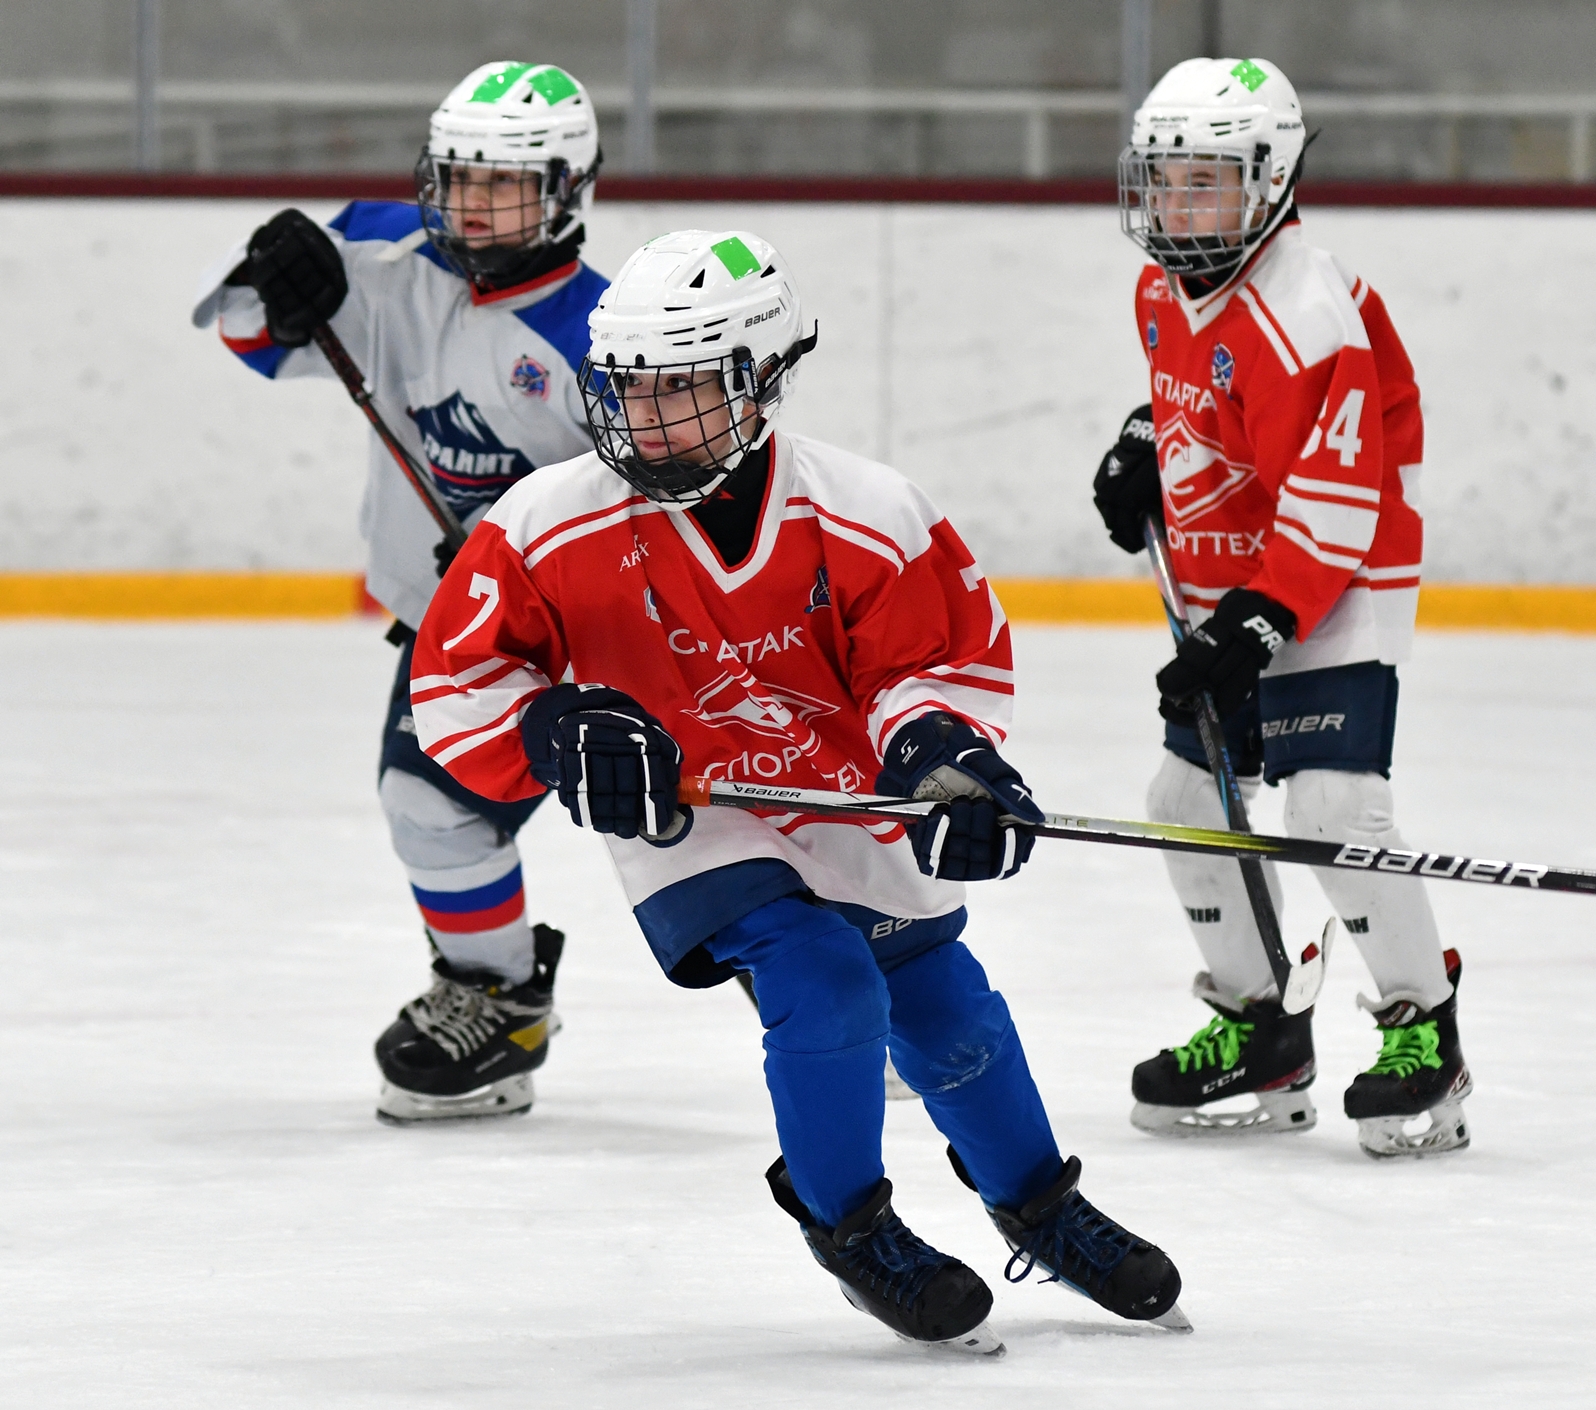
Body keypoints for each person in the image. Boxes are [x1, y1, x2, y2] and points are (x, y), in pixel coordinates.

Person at [408, 228, 1188, 1351]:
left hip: (843, 795)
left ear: (763, 376)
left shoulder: (870, 511)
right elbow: (456, 682)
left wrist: (946, 762)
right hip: (692, 813)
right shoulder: (545, 521)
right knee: (823, 984)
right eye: (629, 388)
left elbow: (934, 664)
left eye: (682, 389)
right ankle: (850, 1225)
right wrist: (554, 726)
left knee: (949, 1010)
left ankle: (1040, 1206)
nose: (648, 419)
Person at [189, 62, 610, 1124]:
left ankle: (870, 974)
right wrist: (271, 276)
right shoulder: (381, 248)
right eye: (457, 177)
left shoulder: (601, 334)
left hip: (605, 629)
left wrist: (535, 557)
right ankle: (499, 1002)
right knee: (429, 806)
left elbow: (666, 511)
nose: (472, 205)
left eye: (504, 183)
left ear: (567, 190)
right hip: (460, 629)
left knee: (719, 816)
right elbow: (251, 337)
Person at [1092, 57, 1471, 1158]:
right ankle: (1259, 1028)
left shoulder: (1308, 313)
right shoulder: (1162, 288)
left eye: (1205, 182)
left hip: (1335, 584)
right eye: (1165, 182)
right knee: (1185, 797)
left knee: (1332, 809)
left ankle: (1425, 1032)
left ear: (1269, 181)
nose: (1178, 206)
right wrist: (1142, 442)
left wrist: (1256, 623)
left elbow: (1335, 501)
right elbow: (1202, 395)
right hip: (1234, 584)